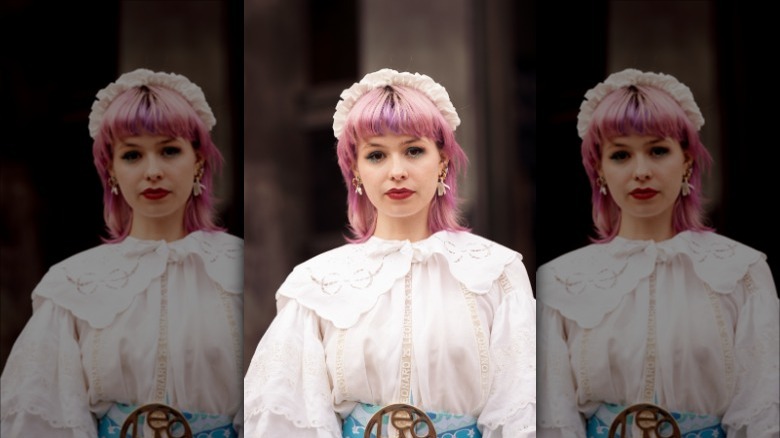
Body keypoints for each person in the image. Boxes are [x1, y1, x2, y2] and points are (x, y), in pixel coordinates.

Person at [243, 68, 536, 437]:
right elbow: (286, 415)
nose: (397, 171)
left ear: (443, 160)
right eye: (377, 155)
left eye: (414, 150)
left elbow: (522, 408)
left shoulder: (497, 272)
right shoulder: (315, 284)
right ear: (355, 170)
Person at [0, 68, 243, 437]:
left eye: (169, 150)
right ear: (110, 170)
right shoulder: (72, 284)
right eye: (132, 155)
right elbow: (42, 415)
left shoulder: (245, 269)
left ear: (197, 160)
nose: (152, 171)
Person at [537, 68, 780, 437]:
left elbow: (762, 412)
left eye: (658, 150)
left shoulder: (742, 272)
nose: (641, 171)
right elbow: (555, 416)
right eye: (620, 155)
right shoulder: (560, 280)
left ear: (686, 160)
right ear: (599, 170)